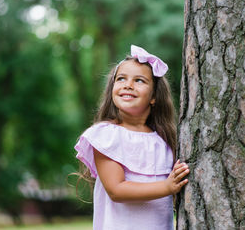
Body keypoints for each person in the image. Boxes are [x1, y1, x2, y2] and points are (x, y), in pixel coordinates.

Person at [74, 45, 190, 230]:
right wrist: (167, 187)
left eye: (139, 80)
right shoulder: (106, 136)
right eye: (121, 79)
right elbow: (116, 190)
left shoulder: (164, 140)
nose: (128, 85)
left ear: (154, 96)